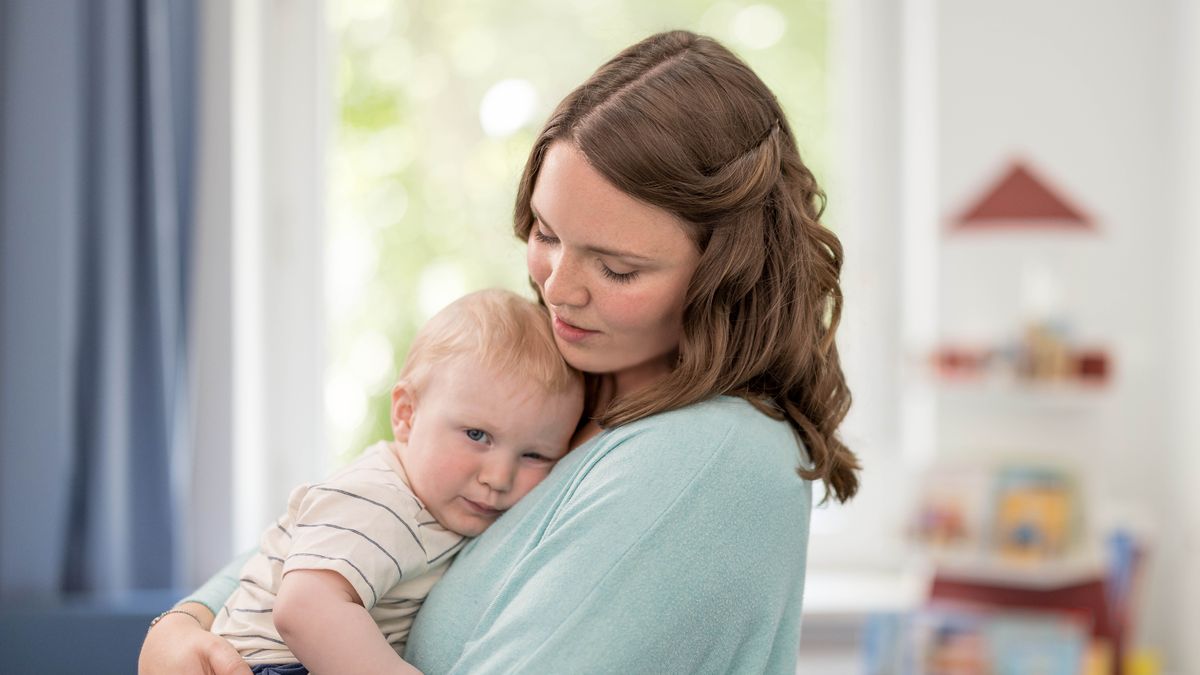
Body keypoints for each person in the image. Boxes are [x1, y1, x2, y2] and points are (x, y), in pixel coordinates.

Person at [139, 29, 861, 675]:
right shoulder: (564, 374)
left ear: (726, 271)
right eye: (547, 233)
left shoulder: (709, 457)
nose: (559, 288)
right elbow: (342, 521)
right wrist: (180, 627)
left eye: (617, 268)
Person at [208, 289, 583, 674]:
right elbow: (304, 608)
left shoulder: (436, 500)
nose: (499, 477)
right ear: (406, 414)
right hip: (273, 664)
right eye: (476, 435)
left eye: (534, 455)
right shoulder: (378, 500)